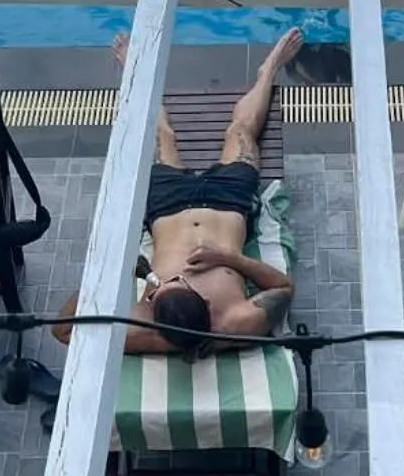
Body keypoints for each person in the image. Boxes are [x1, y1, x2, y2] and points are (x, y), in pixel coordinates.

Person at [54, 29, 301, 356]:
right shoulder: (236, 323)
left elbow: (64, 330)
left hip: (166, 207)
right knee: (240, 131)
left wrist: (107, 272)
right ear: (208, 304)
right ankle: (267, 72)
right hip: (228, 203)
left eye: (156, 291)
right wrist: (227, 258)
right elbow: (284, 287)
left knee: (160, 134)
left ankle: (136, 70)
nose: (157, 287)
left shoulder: (142, 330)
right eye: (168, 285)